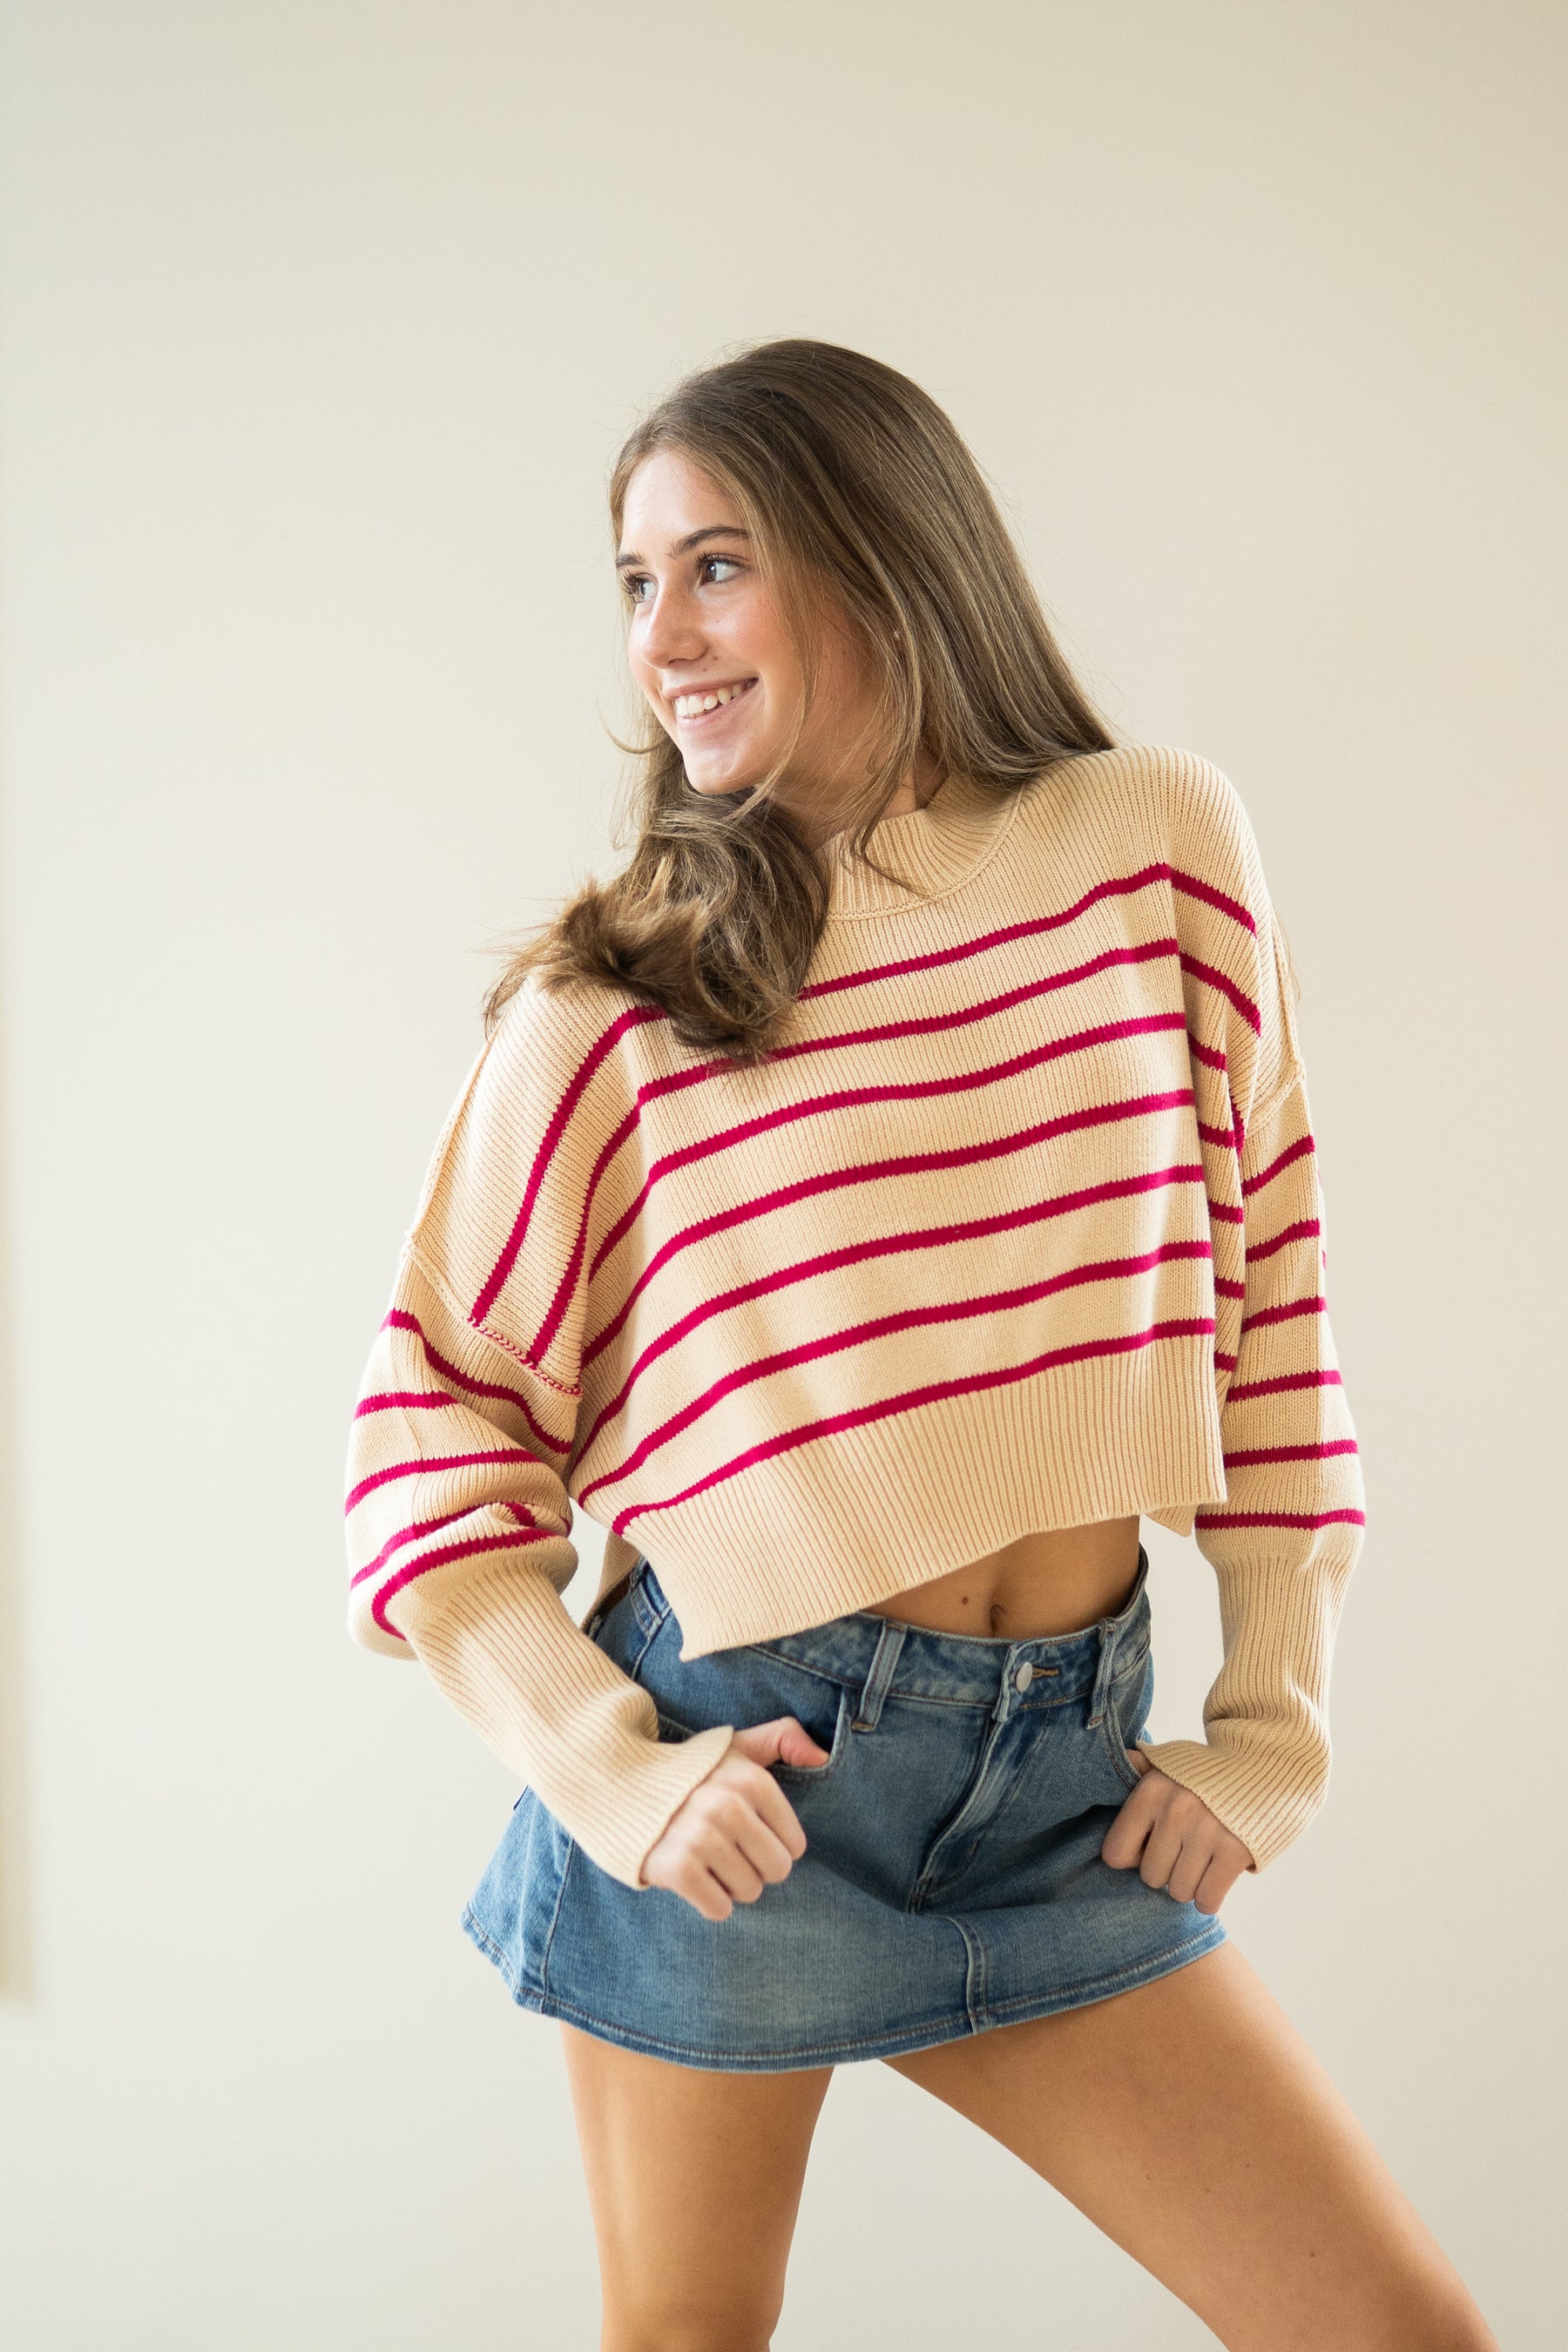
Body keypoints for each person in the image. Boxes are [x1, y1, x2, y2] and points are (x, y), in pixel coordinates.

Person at [344, 341, 1494, 2350]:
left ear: (882, 555)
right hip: (753, 1776)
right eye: (635, 582)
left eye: (717, 567)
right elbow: (425, 1445)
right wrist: (614, 1773)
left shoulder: (1153, 844)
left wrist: (1274, 1724)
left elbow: (1272, 1294)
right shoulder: (620, 996)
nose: (661, 642)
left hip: (1066, 1777)